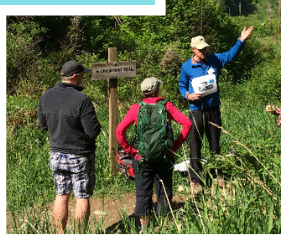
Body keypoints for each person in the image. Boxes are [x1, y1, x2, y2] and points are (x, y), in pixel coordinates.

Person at [179, 27, 253, 195]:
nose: (204, 51)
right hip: (196, 110)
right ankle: (195, 180)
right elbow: (182, 85)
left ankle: (217, 175)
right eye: (200, 49)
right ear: (193, 50)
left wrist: (241, 40)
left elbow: (230, 55)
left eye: (205, 48)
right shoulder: (186, 67)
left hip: (213, 109)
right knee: (195, 146)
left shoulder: (214, 60)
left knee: (215, 144)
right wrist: (188, 96)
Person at [116, 77, 192, 232]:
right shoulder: (167, 106)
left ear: (144, 92)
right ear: (157, 90)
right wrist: (174, 148)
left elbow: (119, 131)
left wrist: (130, 150)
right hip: (164, 157)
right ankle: (163, 225)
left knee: (143, 192)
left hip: (141, 159)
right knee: (164, 191)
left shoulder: (136, 108)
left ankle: (144, 227)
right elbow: (187, 124)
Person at [38, 60, 101, 232]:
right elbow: (92, 131)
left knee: (61, 195)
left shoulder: (46, 96)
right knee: (81, 196)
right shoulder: (82, 99)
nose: (83, 78)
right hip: (80, 155)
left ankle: (61, 235)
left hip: (56, 154)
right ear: (74, 76)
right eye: (82, 75)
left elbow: (43, 126)